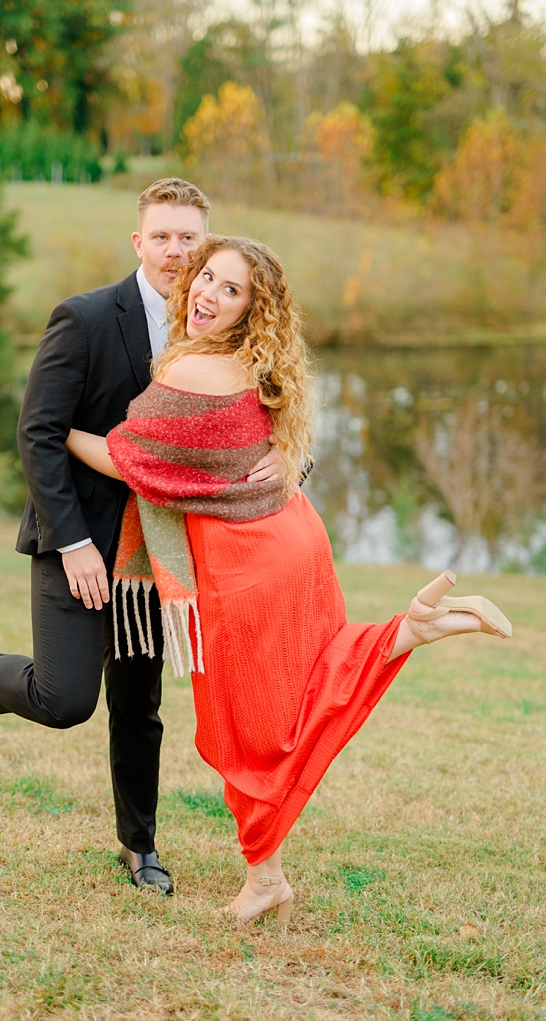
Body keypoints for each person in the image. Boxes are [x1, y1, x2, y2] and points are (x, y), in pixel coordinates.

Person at [62, 235, 511, 927]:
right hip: (291, 539)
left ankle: (265, 877)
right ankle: (410, 630)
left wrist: (56, 430)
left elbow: (129, 458)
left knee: (249, 727)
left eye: (229, 289)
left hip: (247, 568)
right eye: (206, 277)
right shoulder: (251, 366)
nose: (207, 293)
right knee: (284, 701)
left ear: (252, 309)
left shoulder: (193, 375)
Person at [0, 178, 276, 896]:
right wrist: (73, 543)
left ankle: (139, 847)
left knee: (139, 703)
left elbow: (270, 415)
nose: (178, 252)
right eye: (163, 236)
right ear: (138, 241)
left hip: (155, 555)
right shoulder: (85, 318)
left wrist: (290, 458)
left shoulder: (217, 330)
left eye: (191, 239)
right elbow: (38, 433)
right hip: (79, 541)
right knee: (66, 701)